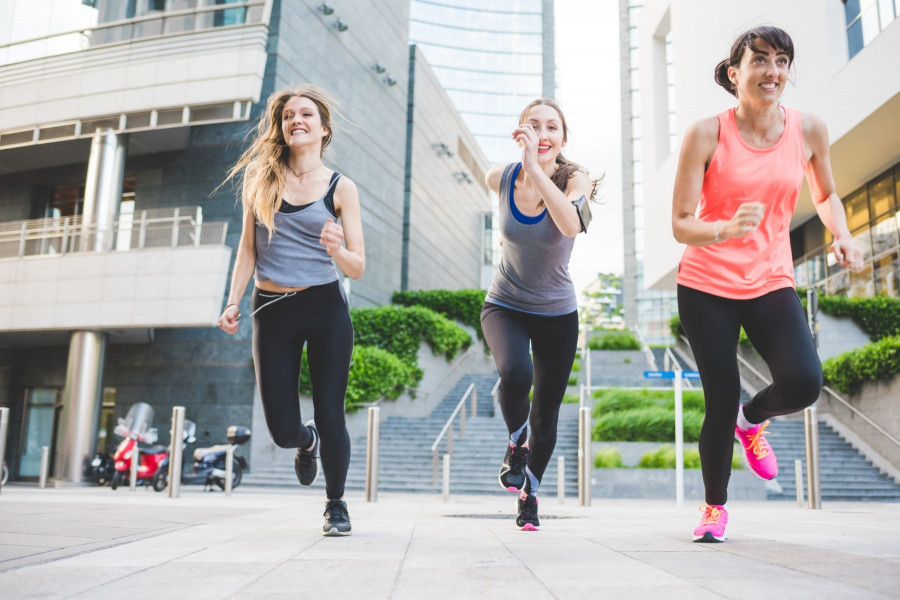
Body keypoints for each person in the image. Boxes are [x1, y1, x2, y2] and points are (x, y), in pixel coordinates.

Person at [671, 26, 862, 543]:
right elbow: (681, 221)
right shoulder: (705, 133)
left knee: (804, 382)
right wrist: (723, 229)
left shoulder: (809, 129)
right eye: (760, 60)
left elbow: (826, 194)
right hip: (707, 283)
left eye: (781, 61)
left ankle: (750, 422)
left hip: (771, 278)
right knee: (719, 395)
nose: (772, 70)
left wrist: (841, 234)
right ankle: (714, 508)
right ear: (735, 74)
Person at [217, 84, 365, 536]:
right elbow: (247, 249)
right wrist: (232, 300)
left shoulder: (341, 188)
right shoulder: (261, 178)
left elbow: (356, 267)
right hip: (272, 308)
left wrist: (337, 249)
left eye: (305, 114)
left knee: (330, 412)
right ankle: (306, 443)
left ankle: (336, 504)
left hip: (325, 308)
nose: (295, 120)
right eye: (287, 116)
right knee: (282, 429)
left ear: (323, 129)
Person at [482, 98, 597, 530]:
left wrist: (535, 169)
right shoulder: (503, 177)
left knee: (545, 415)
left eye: (552, 127)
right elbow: (487, 176)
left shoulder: (575, 179)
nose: (543, 133)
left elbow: (570, 225)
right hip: (505, 303)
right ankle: (516, 443)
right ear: (520, 132)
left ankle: (529, 495)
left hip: (556, 314)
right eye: (534, 125)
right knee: (514, 376)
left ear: (562, 139)